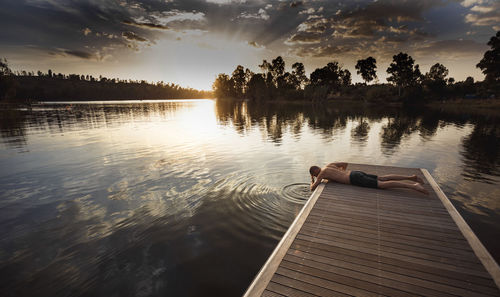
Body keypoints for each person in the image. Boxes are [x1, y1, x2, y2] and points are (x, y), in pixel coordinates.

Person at [309, 162, 428, 194]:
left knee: (381, 185)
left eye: (314, 174)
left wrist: (313, 180)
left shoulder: (321, 174)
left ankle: (413, 186)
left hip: (354, 179)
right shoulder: (329, 165)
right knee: (383, 178)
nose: (316, 176)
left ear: (315, 172)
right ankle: (411, 177)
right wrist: (341, 174)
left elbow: (312, 189)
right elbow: (344, 164)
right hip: (355, 173)